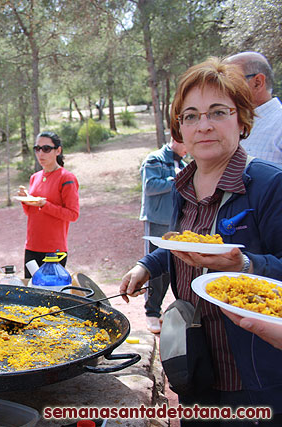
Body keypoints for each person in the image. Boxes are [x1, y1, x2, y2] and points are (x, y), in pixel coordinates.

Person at [119, 58, 282, 425]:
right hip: (196, 365)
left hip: (254, 377)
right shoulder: (183, 187)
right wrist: (149, 264)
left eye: (217, 112)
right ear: (180, 128)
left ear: (242, 120)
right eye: (190, 116)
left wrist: (243, 266)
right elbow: (183, 245)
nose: (203, 125)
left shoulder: (270, 185)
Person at [139, 138, 188, 333]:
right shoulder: (155, 159)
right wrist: (175, 179)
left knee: (172, 267)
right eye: (186, 143)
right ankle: (151, 312)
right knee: (154, 266)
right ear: (176, 140)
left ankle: (162, 312)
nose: (189, 149)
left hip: (176, 222)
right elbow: (150, 186)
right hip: (157, 220)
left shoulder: (184, 163)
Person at [17, 131, 79, 278]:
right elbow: (31, 212)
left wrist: (45, 205)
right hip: (32, 246)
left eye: (46, 149)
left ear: (58, 150)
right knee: (31, 293)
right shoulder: (35, 177)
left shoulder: (67, 178)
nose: (40, 154)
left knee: (51, 295)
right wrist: (26, 200)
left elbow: (73, 214)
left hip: (54, 251)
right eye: (37, 149)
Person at [225, 51, 282, 164]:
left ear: (258, 82)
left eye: (230, 80)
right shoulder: (228, 123)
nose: (223, 87)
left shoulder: (279, 125)